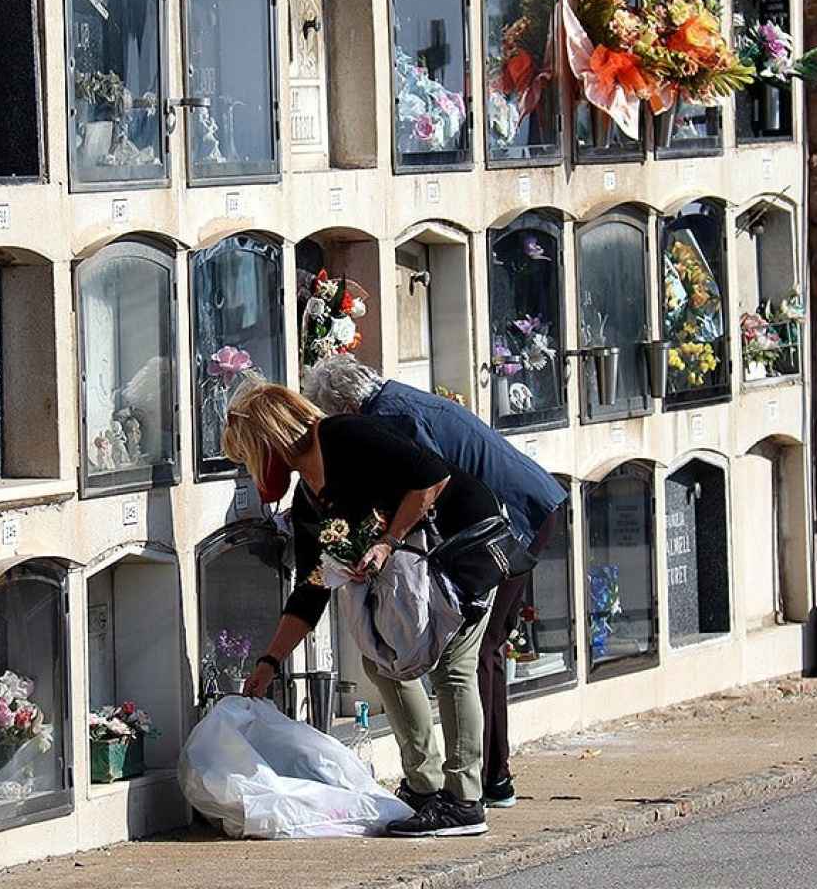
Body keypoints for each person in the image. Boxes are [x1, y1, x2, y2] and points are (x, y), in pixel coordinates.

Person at [224, 382, 504, 837]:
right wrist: (269, 662)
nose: (254, 473)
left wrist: (386, 540)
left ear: (266, 441)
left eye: (248, 457)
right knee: (383, 665)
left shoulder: (344, 435)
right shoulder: (309, 502)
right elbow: (312, 586)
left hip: (461, 550)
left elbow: (431, 476)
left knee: (453, 668)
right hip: (413, 577)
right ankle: (425, 788)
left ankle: (465, 800)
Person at [301, 354, 567, 809]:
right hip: (516, 510)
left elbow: (427, 485)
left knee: (474, 648)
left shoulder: (389, 416)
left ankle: (483, 783)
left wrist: (384, 538)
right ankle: (484, 781)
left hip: (519, 515)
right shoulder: (394, 401)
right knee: (478, 649)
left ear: (344, 405)